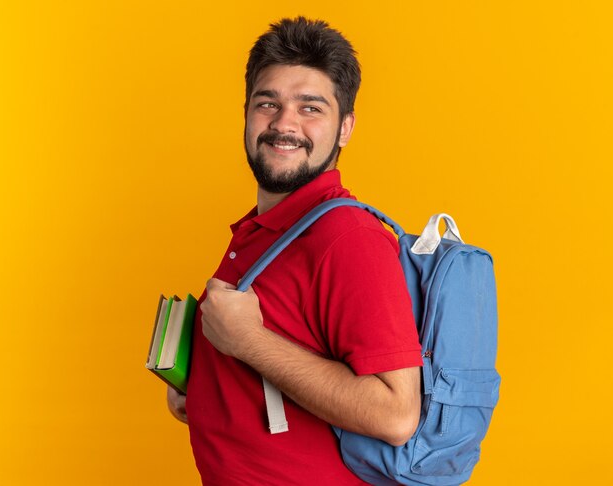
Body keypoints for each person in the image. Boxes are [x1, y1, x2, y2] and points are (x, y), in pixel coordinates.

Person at [167, 16, 423, 485]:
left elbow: (395, 414)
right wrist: (203, 384)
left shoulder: (348, 238)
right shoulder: (264, 229)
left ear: (344, 128)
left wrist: (249, 342)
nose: (284, 123)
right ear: (246, 113)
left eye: (310, 108)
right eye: (269, 103)